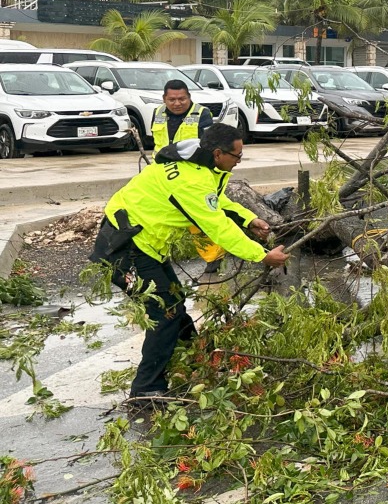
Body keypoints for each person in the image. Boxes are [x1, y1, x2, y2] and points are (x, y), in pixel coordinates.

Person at [90, 124, 288, 403]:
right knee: (163, 315)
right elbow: (217, 226)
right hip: (124, 250)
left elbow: (215, 201)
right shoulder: (191, 181)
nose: (239, 162)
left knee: (174, 301)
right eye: (237, 157)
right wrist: (262, 255)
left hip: (145, 245)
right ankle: (146, 389)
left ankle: (193, 359)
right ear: (218, 153)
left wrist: (246, 218)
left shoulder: (198, 159)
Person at [151, 79, 213, 148]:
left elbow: (209, 145)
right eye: (172, 100)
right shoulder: (158, 112)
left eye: (182, 99)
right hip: (159, 159)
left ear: (189, 97)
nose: (177, 103)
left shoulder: (203, 114)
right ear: (164, 99)